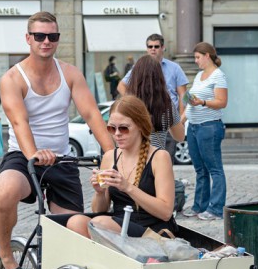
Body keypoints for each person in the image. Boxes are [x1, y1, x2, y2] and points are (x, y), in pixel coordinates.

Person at [0, 11, 114, 269]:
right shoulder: (13, 78)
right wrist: (33, 153)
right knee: (7, 190)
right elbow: (19, 121)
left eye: (52, 36)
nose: (46, 41)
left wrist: (112, 153)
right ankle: (8, 257)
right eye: (39, 36)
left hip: (61, 159)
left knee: (76, 228)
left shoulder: (70, 73)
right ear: (28, 39)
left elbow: (93, 115)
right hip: (23, 157)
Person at [65, 95, 176, 238]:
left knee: (100, 223)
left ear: (141, 126)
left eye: (124, 128)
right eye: (112, 128)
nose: (117, 134)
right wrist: (99, 192)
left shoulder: (159, 157)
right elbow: (99, 209)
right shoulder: (110, 156)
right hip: (119, 226)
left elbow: (166, 212)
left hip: (153, 232)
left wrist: (128, 187)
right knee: (76, 222)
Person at [182, 42, 228, 220]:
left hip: (209, 127)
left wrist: (202, 102)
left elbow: (222, 102)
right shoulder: (200, 75)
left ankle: (216, 209)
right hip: (193, 127)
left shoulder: (218, 76)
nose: (195, 61)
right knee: (200, 170)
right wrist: (181, 121)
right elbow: (189, 102)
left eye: (197, 57)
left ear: (207, 55)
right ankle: (199, 206)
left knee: (215, 169)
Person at [118, 33, 189, 116]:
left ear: (162, 48)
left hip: (170, 115)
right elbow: (121, 86)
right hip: (146, 115)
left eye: (156, 46)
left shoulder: (175, 68)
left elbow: (183, 95)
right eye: (150, 46)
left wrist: (181, 118)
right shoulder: (138, 67)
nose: (153, 49)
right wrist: (133, 103)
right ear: (147, 49)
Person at [123, 54, 184, 148]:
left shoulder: (125, 105)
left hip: (131, 159)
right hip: (156, 159)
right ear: (159, 77)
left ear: (134, 75)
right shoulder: (166, 104)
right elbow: (180, 136)